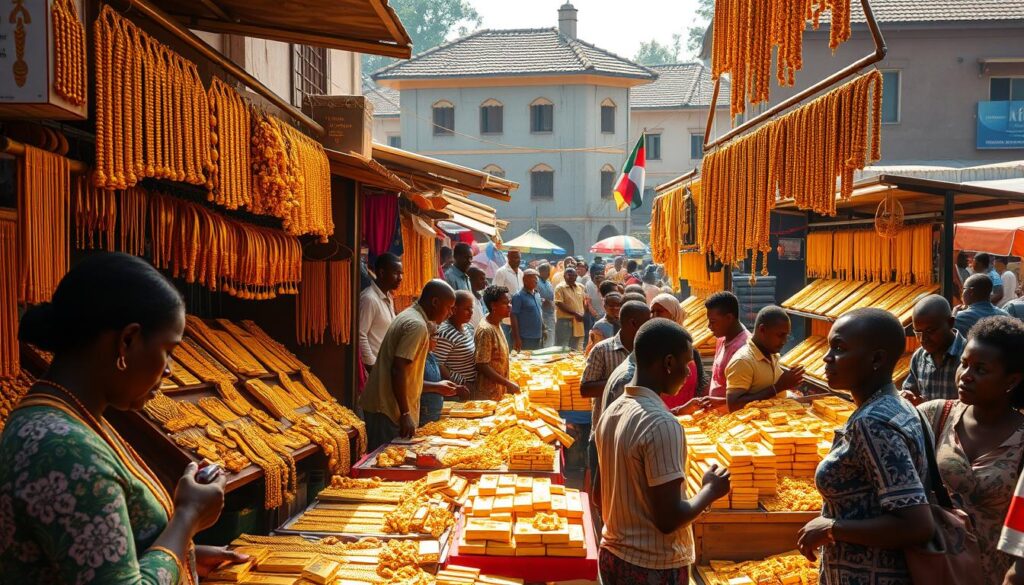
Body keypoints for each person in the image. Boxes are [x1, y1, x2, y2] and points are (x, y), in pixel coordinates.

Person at [1, 253, 242, 583]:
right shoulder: (65, 446)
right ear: (127, 341)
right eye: (168, 351)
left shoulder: (67, 418)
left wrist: (184, 554)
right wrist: (187, 518)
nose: (169, 369)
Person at [798, 308, 935, 584]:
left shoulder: (873, 423)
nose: (827, 358)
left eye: (839, 348)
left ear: (876, 359)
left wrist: (831, 529)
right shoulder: (900, 407)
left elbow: (916, 524)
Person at [596, 319, 731, 584]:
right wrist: (710, 490)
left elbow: (598, 495)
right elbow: (669, 518)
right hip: (653, 566)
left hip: (612, 554)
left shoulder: (612, 410)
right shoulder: (662, 424)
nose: (689, 374)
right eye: (686, 365)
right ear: (668, 363)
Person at [919, 316, 1024, 584]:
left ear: (1011, 381)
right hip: (932, 570)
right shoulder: (934, 416)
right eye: (964, 364)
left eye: (980, 369)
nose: (965, 376)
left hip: (995, 576)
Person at [360, 280, 459, 448]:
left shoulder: (411, 315)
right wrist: (405, 412)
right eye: (449, 307)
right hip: (388, 410)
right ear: (435, 302)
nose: (450, 313)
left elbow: (406, 375)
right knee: (386, 464)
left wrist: (436, 387)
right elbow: (398, 370)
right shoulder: (417, 326)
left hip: (385, 407)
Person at [725, 306, 804, 412]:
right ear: (762, 330)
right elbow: (734, 406)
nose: (784, 341)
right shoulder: (743, 361)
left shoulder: (772, 353)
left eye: (786, 336)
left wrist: (789, 388)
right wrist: (778, 387)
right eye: (780, 335)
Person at [901, 295, 967, 404]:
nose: (923, 339)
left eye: (930, 331)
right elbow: (911, 389)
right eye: (918, 332)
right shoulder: (919, 357)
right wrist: (907, 395)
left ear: (950, 323)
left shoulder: (967, 355)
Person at [650, 293, 707, 409]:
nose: (655, 315)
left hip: (688, 417)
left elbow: (701, 381)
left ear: (674, 314)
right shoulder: (649, 347)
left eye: (660, 311)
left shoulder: (689, 347)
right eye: (652, 311)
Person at [703, 291, 750, 410]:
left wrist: (716, 402)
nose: (709, 326)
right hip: (715, 415)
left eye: (713, 322)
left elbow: (744, 398)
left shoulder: (743, 348)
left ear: (729, 318)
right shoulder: (722, 337)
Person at [475, 285, 520, 400]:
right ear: (493, 305)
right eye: (505, 303)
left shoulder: (496, 323)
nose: (509, 306)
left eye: (509, 302)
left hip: (499, 391)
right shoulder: (486, 330)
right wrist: (507, 383)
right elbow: (482, 364)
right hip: (489, 393)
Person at [358, 252, 401, 370]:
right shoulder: (369, 298)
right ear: (382, 273)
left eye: (401, 274)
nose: (400, 278)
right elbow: (360, 334)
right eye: (396, 273)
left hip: (385, 366)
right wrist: (372, 365)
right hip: (375, 369)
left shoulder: (388, 297)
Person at [419, 338, 469, 426]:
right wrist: (438, 387)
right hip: (423, 410)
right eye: (434, 335)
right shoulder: (418, 358)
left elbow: (436, 380)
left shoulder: (431, 356)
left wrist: (452, 387)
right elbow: (413, 384)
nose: (437, 339)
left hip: (434, 409)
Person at [434, 291, 478, 390]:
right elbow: (438, 364)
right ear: (454, 309)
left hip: (472, 385)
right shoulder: (446, 334)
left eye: (472, 308)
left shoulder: (467, 327)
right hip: (459, 389)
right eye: (467, 309)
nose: (471, 312)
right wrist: (461, 383)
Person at [494, 249, 524, 342]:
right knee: (507, 341)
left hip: (519, 313)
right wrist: (508, 300)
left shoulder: (521, 273)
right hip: (506, 313)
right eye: (515, 257)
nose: (517, 260)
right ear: (508, 258)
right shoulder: (501, 272)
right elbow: (496, 291)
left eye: (519, 258)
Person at [510, 269, 545, 351]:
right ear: (525, 281)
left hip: (538, 336)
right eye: (534, 278)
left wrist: (544, 329)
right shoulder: (518, 296)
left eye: (537, 278)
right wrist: (517, 338)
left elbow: (539, 313)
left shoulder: (537, 295)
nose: (537, 281)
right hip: (525, 337)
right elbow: (513, 316)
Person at [555, 267, 587, 350]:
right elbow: (559, 303)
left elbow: (584, 301)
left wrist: (583, 313)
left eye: (574, 275)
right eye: (569, 275)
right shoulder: (560, 288)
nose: (572, 277)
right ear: (564, 276)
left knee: (574, 346)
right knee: (562, 347)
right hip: (565, 322)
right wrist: (575, 313)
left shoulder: (581, 287)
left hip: (578, 321)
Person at [537, 263, 557, 347]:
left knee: (550, 336)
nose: (549, 273)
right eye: (546, 271)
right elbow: (536, 297)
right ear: (541, 272)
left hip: (550, 314)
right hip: (541, 314)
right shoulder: (537, 282)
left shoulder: (548, 283)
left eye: (549, 271)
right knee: (543, 337)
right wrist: (544, 301)